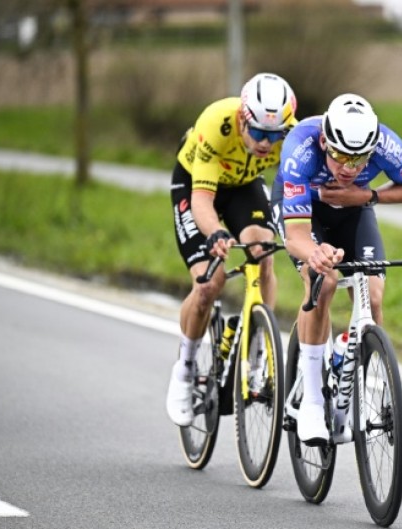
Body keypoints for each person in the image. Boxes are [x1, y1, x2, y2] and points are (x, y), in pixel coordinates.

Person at [271, 93, 402, 444]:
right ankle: (311, 401)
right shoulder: (301, 149)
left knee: (373, 291)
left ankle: (352, 362)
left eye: (359, 159)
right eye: (340, 156)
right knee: (323, 282)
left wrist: (367, 196)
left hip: (354, 208)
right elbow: (296, 236)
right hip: (302, 208)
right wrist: (316, 254)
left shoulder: (386, 143)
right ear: (325, 142)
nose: (349, 168)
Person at [166, 73, 297, 426]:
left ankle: (259, 351)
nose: (267, 144)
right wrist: (216, 234)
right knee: (210, 282)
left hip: (243, 185)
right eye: (258, 133)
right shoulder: (216, 124)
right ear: (242, 120)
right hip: (196, 184)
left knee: (264, 252)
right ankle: (186, 367)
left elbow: (297, 192)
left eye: (275, 135)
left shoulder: (291, 136)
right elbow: (203, 203)